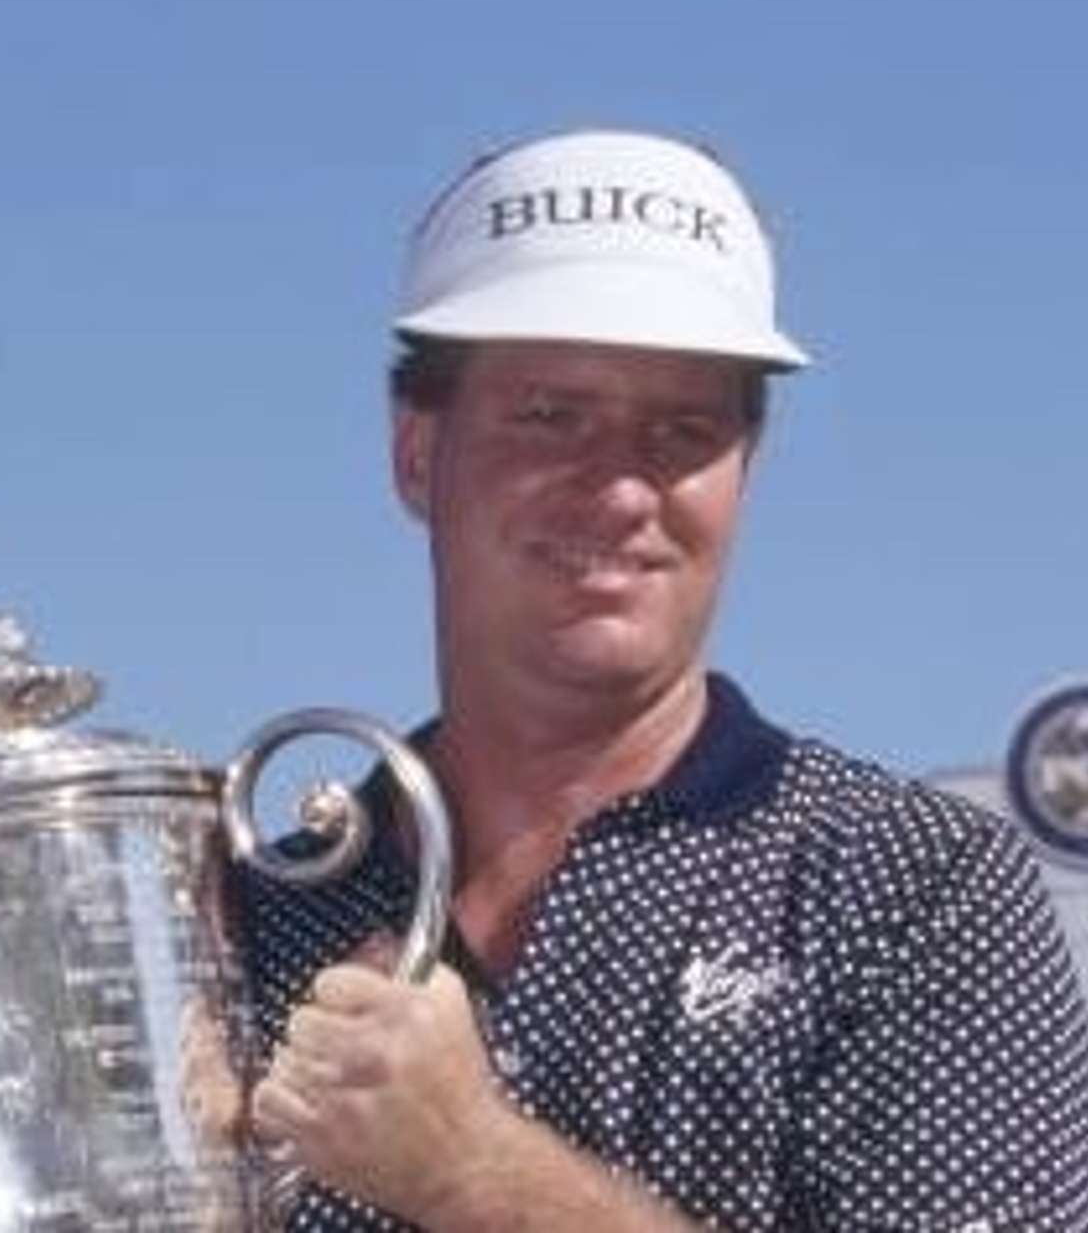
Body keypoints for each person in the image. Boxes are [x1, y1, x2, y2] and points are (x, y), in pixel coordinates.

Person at [239, 129, 1088, 1230]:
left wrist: (471, 1169)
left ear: (743, 474)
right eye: (551, 416)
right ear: (416, 455)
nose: (621, 489)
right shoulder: (245, 922)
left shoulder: (913, 887)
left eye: (683, 431)